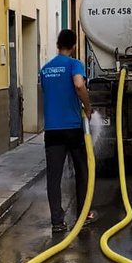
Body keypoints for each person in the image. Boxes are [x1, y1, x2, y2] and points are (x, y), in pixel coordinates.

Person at [40, 29, 94, 233]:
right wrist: (87, 108)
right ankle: (83, 215)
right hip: (72, 127)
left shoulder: (45, 69)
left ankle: (57, 222)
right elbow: (79, 85)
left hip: (52, 130)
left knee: (54, 177)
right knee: (82, 171)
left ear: (57, 45)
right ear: (73, 46)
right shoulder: (74, 64)